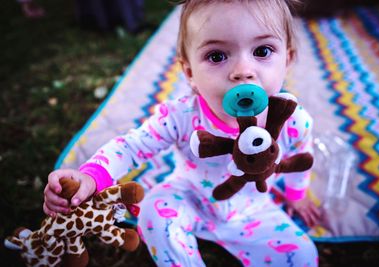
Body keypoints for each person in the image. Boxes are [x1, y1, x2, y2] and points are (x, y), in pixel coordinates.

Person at [43, 0, 321, 266]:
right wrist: (92, 177)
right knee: (153, 212)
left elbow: (300, 155)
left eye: (262, 51)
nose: (243, 71)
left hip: (253, 211)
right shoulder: (181, 116)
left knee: (303, 255)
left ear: (288, 59)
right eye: (217, 56)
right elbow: (131, 146)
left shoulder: (292, 120)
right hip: (189, 198)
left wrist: (297, 195)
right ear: (189, 73)